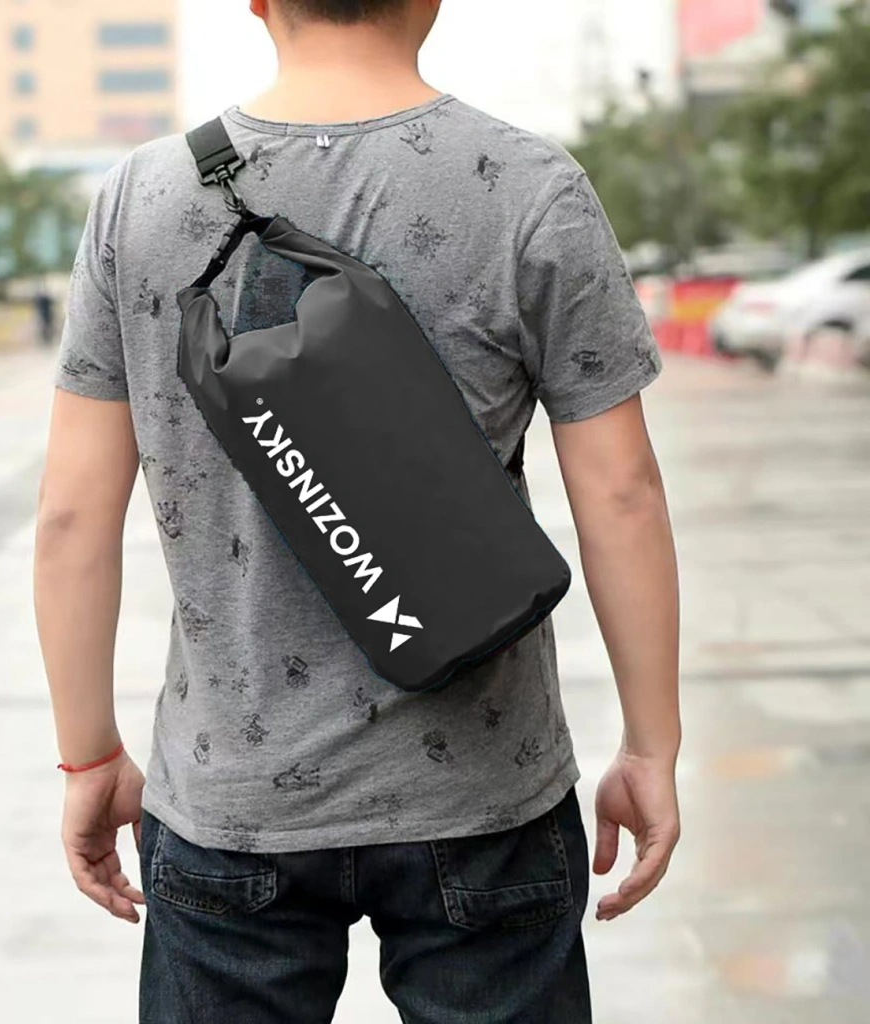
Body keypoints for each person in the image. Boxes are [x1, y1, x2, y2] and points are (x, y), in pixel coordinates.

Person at [34, 1, 682, 1021]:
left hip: (229, 793)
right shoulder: (528, 185)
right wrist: (651, 745)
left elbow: (71, 517)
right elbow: (622, 492)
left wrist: (88, 755)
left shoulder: (140, 199)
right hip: (485, 790)